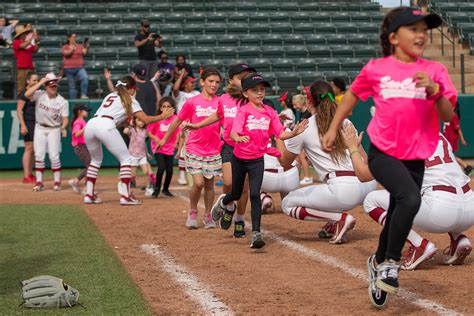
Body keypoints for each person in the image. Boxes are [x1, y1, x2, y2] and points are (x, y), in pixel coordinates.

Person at [320, 7, 456, 307]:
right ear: (394, 37)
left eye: (424, 29)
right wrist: (332, 128)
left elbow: (447, 113)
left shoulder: (435, 72)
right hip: (382, 151)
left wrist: (435, 91)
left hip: (415, 156)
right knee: (410, 199)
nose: (421, 34)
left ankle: (378, 259)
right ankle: (390, 263)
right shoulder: (376, 69)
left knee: (399, 209)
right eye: (413, 29)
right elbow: (352, 96)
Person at [349, 132, 474, 271]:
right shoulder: (437, 134)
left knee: (371, 200)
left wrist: (353, 148)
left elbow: (363, 175)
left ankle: (418, 245)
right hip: (470, 208)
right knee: (421, 186)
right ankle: (458, 239)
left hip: (441, 212)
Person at [211, 73, 308, 249]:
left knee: (255, 195)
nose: (260, 93)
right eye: (255, 90)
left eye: (262, 90)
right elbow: (234, 131)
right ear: (246, 93)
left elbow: (280, 133)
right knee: (236, 193)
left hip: (257, 160)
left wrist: (294, 133)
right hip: (239, 159)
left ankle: (256, 234)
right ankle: (224, 202)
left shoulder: (270, 112)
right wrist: (237, 138)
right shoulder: (243, 111)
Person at [277, 81, 377, 244]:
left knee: (287, 203)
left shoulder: (304, 127)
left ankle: (338, 219)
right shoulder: (346, 122)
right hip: (366, 185)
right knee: (329, 191)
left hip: (341, 189)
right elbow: (364, 160)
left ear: (309, 102)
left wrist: (279, 136)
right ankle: (333, 222)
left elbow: (284, 163)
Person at [184, 63, 256, 238]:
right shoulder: (224, 99)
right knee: (230, 182)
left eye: (246, 77)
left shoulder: (252, 98)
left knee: (245, 186)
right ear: (231, 79)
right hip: (229, 146)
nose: (243, 80)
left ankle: (239, 219)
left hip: (248, 146)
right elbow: (217, 116)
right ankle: (229, 205)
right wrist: (197, 125)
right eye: (240, 77)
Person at [83, 76, 172, 205]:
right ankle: (125, 196)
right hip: (106, 125)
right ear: (132, 89)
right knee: (126, 159)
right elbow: (146, 119)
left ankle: (89, 195)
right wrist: (162, 116)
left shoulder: (110, 95)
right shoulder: (130, 99)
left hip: (91, 124)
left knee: (95, 161)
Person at [158, 67, 223, 229]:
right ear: (202, 82)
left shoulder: (221, 102)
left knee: (210, 185)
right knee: (199, 183)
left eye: (217, 82)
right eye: (211, 81)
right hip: (194, 148)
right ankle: (193, 210)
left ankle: (208, 215)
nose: (214, 85)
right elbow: (177, 121)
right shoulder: (192, 102)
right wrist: (165, 138)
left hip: (214, 150)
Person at [24, 73, 69, 192]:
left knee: (54, 156)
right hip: (40, 128)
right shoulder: (40, 95)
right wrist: (40, 82)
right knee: (39, 155)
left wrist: (63, 127)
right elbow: (27, 94)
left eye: (55, 86)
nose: (53, 88)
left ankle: (57, 182)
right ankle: (39, 182)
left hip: (54, 129)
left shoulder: (62, 101)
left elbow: (65, 118)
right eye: (50, 86)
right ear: (46, 86)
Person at [147, 97, 180, 198]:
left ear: (173, 108)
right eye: (164, 106)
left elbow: (178, 131)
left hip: (169, 147)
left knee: (170, 170)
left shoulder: (175, 118)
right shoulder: (158, 118)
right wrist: (156, 139)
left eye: (169, 106)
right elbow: (149, 132)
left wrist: (177, 142)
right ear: (161, 108)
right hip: (158, 147)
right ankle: (156, 189)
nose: (166, 108)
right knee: (161, 168)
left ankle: (165, 189)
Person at [172, 68, 200, 185]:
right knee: (182, 150)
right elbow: (174, 89)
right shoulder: (181, 95)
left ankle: (195, 173)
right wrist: (181, 75)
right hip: (182, 124)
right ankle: (182, 175)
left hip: (195, 124)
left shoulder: (196, 93)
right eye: (191, 82)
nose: (193, 84)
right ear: (185, 85)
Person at [123, 117, 155, 196]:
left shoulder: (145, 131)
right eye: (139, 120)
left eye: (142, 121)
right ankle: (126, 189)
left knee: (146, 172)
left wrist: (147, 154)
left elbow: (143, 144)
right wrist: (130, 125)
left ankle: (148, 188)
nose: (141, 122)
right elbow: (125, 131)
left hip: (142, 155)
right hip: (133, 156)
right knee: (133, 175)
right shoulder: (132, 130)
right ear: (135, 121)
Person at [16, 72, 38, 183]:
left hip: (36, 123)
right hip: (28, 122)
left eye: (37, 80)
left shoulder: (36, 93)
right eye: (34, 80)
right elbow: (19, 110)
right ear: (28, 81)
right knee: (29, 148)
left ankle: (30, 173)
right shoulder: (23, 94)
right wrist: (23, 125)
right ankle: (26, 175)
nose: (36, 82)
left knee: (33, 150)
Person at [68, 104, 92, 193]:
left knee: (90, 166)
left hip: (83, 146)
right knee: (91, 166)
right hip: (79, 147)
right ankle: (86, 188)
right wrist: (85, 128)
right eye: (85, 110)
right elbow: (76, 134)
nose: (87, 112)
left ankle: (76, 182)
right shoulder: (78, 121)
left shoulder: (82, 121)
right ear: (79, 112)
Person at [443, 102, 472, 176]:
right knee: (450, 156)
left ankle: (466, 166)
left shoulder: (454, 116)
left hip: (451, 140)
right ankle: (466, 167)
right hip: (447, 140)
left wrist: (462, 140)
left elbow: (458, 129)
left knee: (450, 156)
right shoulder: (447, 115)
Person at [292, 93, 314, 185]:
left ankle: (307, 177)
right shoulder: (301, 113)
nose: (294, 106)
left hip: (309, 138)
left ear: (301, 103)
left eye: (295, 104)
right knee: (299, 158)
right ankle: (296, 178)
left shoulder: (308, 113)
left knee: (301, 157)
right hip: (303, 138)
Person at [62, 33, 89, 99]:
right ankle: (73, 101)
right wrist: (73, 49)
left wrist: (87, 46)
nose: (74, 38)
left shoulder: (79, 46)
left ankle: (83, 95)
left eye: (75, 37)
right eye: (73, 37)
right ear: (69, 38)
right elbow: (66, 54)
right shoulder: (65, 46)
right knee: (72, 86)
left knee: (85, 78)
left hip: (79, 67)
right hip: (68, 69)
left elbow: (85, 52)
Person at [13, 25, 39, 94]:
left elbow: (35, 50)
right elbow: (22, 46)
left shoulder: (27, 42)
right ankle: (20, 99)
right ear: (21, 34)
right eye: (24, 33)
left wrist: (37, 41)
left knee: (31, 84)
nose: (26, 34)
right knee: (21, 85)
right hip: (21, 66)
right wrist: (30, 39)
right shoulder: (16, 41)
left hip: (29, 66)